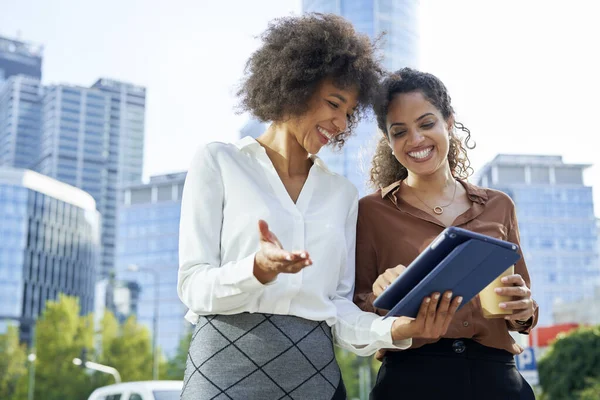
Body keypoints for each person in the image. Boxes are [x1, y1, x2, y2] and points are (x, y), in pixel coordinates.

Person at [177, 16, 461, 400]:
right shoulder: (219, 162)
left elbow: (338, 310)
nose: (341, 123)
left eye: (349, 112)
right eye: (333, 104)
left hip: (316, 381)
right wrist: (255, 270)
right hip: (224, 376)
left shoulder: (341, 194)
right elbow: (193, 285)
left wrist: (396, 331)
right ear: (295, 86)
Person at [354, 68, 539, 400]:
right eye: (399, 132)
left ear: (449, 122)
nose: (416, 140)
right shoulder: (370, 211)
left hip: (497, 378)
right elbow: (358, 307)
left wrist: (524, 310)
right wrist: (382, 296)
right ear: (389, 140)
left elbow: (522, 306)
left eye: (426, 124)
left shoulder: (499, 205)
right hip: (412, 378)